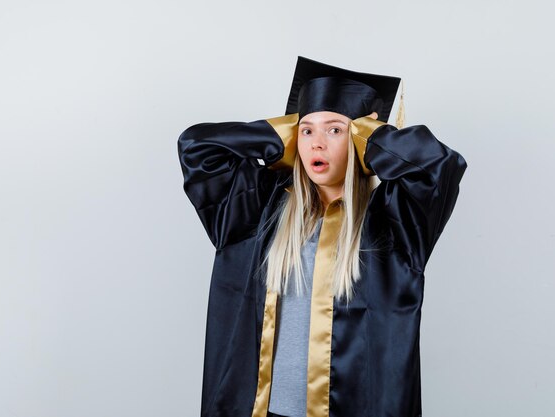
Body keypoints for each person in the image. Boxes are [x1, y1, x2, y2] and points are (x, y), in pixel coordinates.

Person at [177, 56, 468, 417]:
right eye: (307, 131)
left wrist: (370, 136)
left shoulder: (395, 223)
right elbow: (197, 146)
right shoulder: (258, 211)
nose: (317, 144)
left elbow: (439, 166)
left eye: (335, 130)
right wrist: (283, 135)